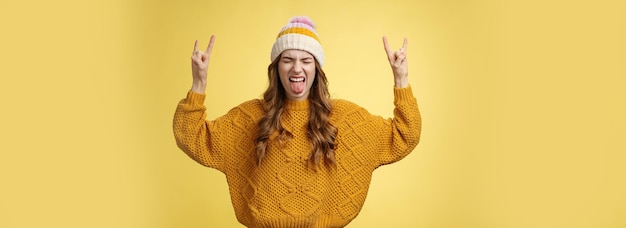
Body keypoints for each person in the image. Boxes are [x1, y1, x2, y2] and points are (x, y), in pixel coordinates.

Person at [173, 16, 421, 227]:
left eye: (306, 60)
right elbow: (192, 136)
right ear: (276, 68)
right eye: (288, 59)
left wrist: (401, 78)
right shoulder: (251, 117)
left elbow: (404, 135)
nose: (297, 68)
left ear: (317, 69)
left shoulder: (344, 118)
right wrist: (199, 83)